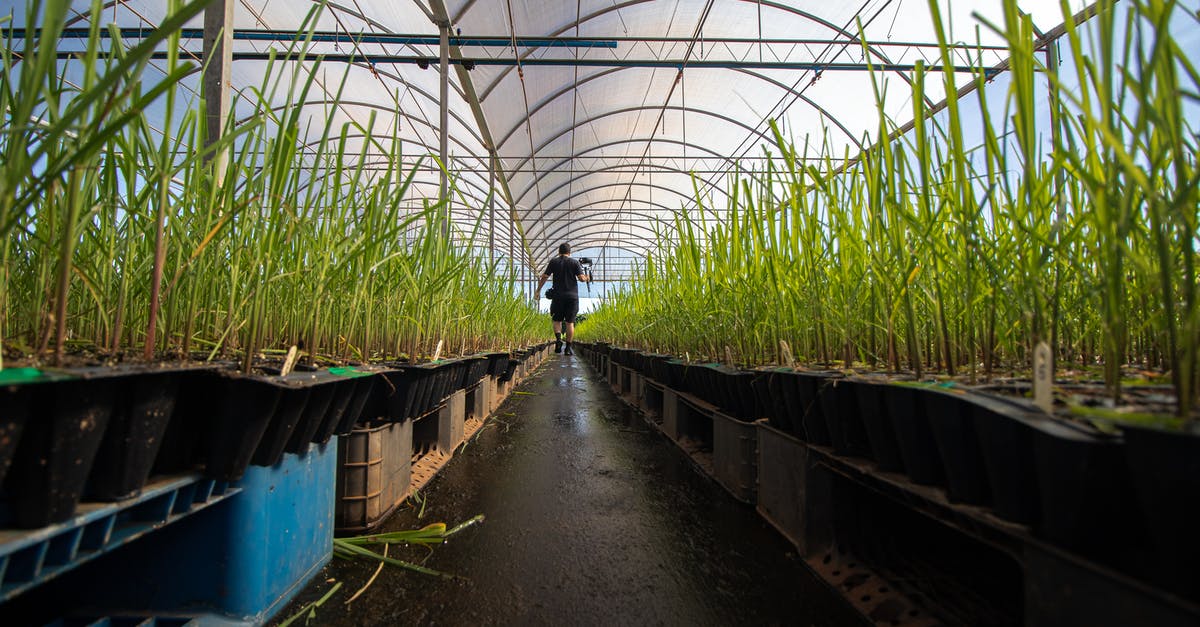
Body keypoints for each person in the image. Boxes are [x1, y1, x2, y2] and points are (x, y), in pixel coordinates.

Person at [535, 243, 589, 355]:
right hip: (572, 297)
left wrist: (538, 290)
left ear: (559, 252)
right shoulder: (575, 262)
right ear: (569, 252)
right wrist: (588, 277)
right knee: (570, 323)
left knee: (556, 320)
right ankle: (568, 349)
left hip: (558, 296)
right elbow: (581, 279)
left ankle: (559, 340)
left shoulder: (554, 262)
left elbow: (545, 276)